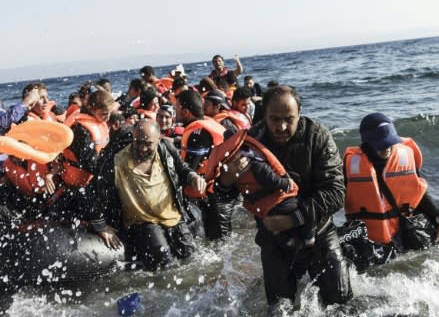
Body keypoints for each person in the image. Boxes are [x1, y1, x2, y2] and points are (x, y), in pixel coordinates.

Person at [219, 85, 352, 308]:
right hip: (274, 239)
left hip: (318, 232)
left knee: (342, 307)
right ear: (264, 115)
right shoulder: (250, 142)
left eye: (288, 119)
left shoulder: (317, 137)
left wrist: (294, 218)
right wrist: (227, 179)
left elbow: (336, 193)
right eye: (274, 119)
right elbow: (223, 198)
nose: (281, 126)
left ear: (299, 114)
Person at [87, 119, 207, 270]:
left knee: (191, 258)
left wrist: (193, 177)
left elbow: (182, 169)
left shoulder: (166, 150)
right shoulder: (115, 160)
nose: (142, 149)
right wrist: (101, 226)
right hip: (143, 224)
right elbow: (93, 191)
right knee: (165, 266)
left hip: (173, 217)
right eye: (138, 142)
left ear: (158, 139)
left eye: (148, 144)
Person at [343, 113, 439, 259]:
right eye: (381, 144)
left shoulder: (403, 158)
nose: (387, 147)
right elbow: (333, 198)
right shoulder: (350, 167)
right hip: (370, 241)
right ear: (366, 144)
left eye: (390, 142)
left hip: (402, 235)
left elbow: (418, 193)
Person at [202, 130, 313, 249]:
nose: (281, 126)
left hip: (264, 208)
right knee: (305, 218)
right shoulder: (250, 159)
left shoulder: (233, 160)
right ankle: (307, 238)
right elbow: (267, 176)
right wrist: (225, 182)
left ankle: (295, 240)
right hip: (279, 202)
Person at [175, 89, 238, 240]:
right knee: (221, 244)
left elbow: (191, 170)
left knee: (218, 245)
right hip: (222, 192)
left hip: (212, 197)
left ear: (185, 112)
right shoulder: (207, 123)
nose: (174, 112)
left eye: (176, 108)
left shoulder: (198, 132)